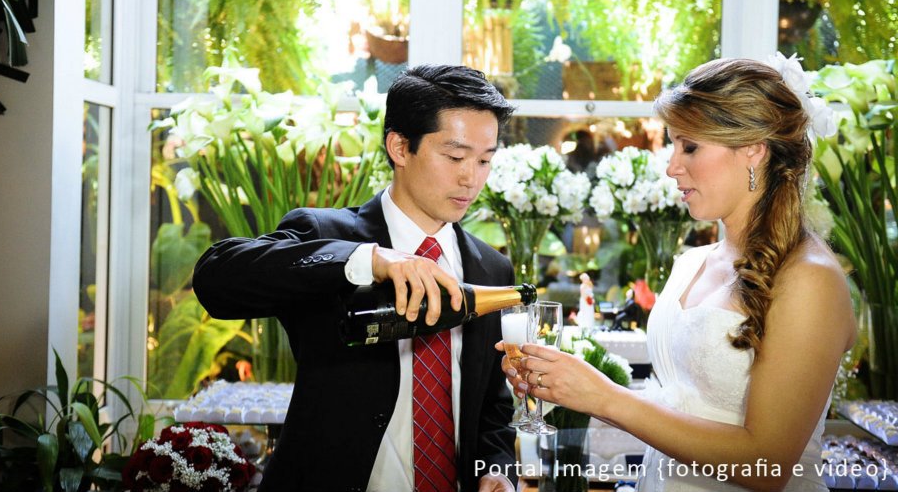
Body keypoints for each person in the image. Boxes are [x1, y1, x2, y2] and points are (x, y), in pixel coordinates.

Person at [502, 57, 857, 491]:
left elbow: (767, 466)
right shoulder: (693, 262)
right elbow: (681, 404)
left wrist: (605, 398)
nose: (672, 166)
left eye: (689, 147)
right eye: (673, 146)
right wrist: (570, 383)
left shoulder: (811, 280)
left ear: (753, 148)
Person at [194, 65, 519, 492]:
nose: (471, 178)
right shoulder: (328, 237)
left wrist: (496, 470)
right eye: (455, 157)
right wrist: (365, 260)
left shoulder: (492, 269)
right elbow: (215, 278)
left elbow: (491, 408)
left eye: (485, 160)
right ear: (399, 147)